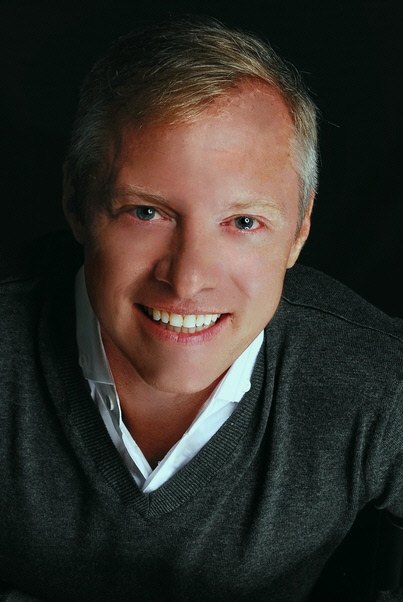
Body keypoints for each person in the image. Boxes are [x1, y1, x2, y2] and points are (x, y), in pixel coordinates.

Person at [0, 15, 402, 602]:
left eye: (244, 222)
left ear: (300, 229)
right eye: (146, 212)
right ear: (76, 201)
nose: (187, 281)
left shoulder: (376, 379)